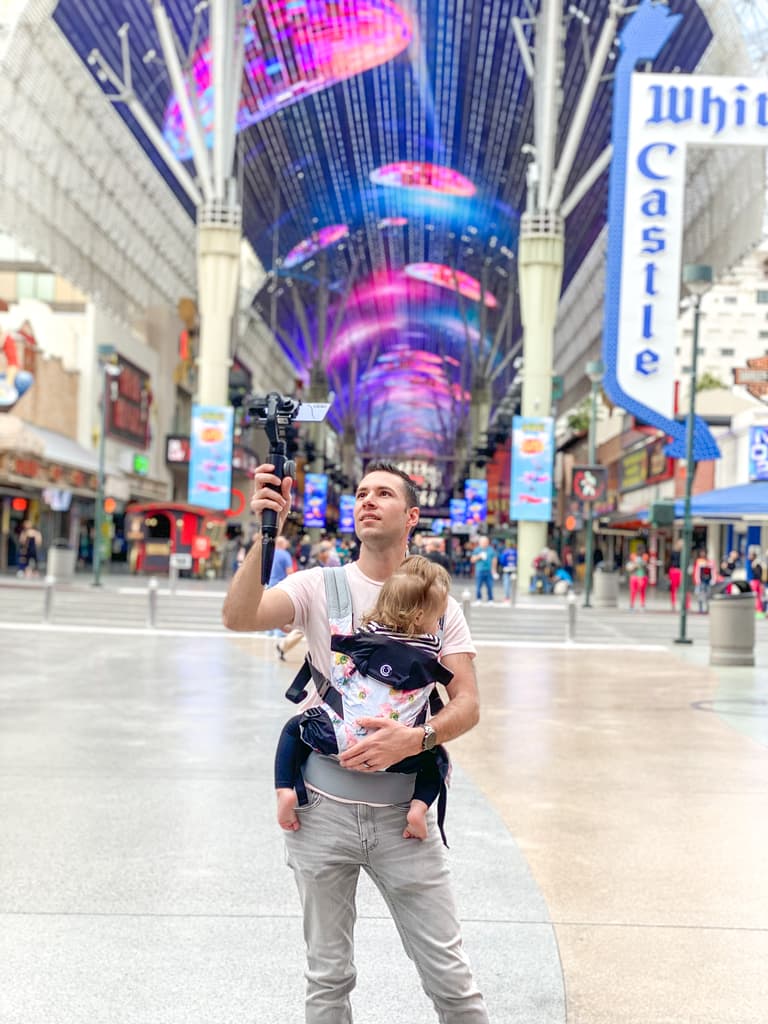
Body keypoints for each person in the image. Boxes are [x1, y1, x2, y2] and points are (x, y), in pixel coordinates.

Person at [223, 460, 488, 1024]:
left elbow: (467, 704)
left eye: (384, 493)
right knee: (328, 978)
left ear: (411, 515)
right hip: (322, 814)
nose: (367, 500)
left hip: (404, 820)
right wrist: (266, 532)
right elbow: (239, 616)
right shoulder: (319, 585)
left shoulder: (441, 605)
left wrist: (415, 738)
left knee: (452, 982)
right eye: (361, 492)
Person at [274, 555, 453, 844]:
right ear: (420, 617)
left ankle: (285, 790)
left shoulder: (367, 636)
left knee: (295, 727)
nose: (438, 623)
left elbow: (344, 663)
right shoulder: (431, 649)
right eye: (437, 616)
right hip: (399, 748)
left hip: (342, 736)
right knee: (437, 757)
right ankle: (419, 810)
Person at [470, 534, 497, 604]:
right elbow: (472, 560)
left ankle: (490, 599)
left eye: (486, 542)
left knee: (490, 586)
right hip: (480, 570)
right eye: (483, 542)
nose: (485, 543)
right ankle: (478, 599)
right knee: (478, 586)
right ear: (480, 542)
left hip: (488, 570)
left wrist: (494, 570)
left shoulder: (491, 550)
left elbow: (494, 559)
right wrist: (479, 556)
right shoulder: (477, 550)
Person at [667, 539, 683, 611]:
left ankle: (686, 604)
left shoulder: (683, 553)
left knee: (684, 589)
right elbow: (669, 562)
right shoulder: (673, 553)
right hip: (673, 571)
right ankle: (673, 604)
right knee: (673, 589)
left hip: (681, 571)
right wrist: (668, 573)